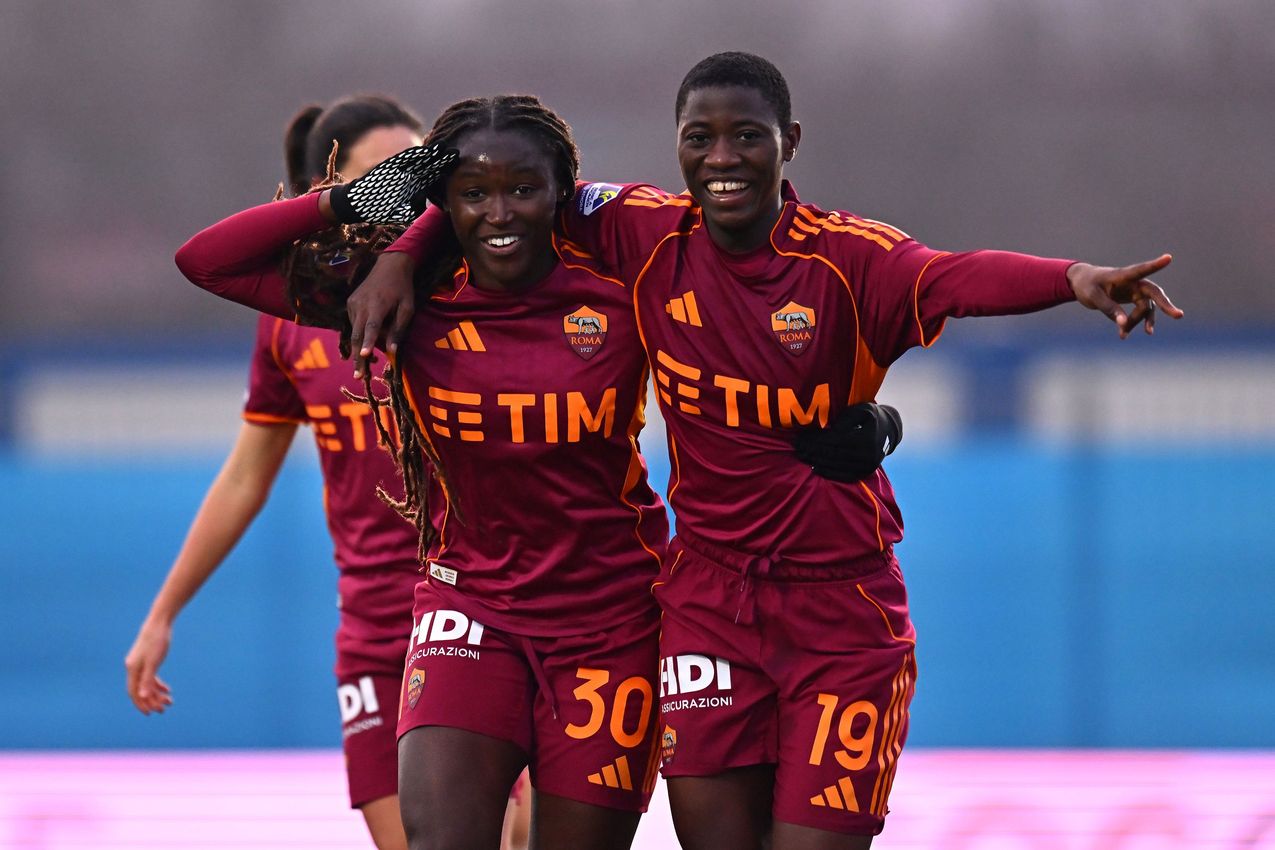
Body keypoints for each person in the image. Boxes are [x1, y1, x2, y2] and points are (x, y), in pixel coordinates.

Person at [354, 53, 1182, 850]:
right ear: (675, 143)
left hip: (841, 613)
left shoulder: (850, 257)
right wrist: (400, 254)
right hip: (706, 607)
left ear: (789, 140)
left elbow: (952, 278)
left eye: (746, 136)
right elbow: (493, 188)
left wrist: (1070, 276)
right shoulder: (641, 232)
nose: (722, 159)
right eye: (699, 138)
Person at [171, 94, 685, 850]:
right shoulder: (394, 293)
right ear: (442, 198)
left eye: (523, 189)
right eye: (472, 193)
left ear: (562, 192)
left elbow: (736, 280)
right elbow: (203, 260)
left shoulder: (620, 286)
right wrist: (365, 203)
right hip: (469, 607)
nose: (500, 213)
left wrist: (866, 418)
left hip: (608, 619)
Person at [124, 94, 528, 850]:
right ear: (331, 195)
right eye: (387, 174)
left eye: (420, 168)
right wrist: (162, 614)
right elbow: (246, 477)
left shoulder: (471, 285)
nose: (408, 192)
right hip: (375, 630)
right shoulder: (294, 321)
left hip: (491, 609)